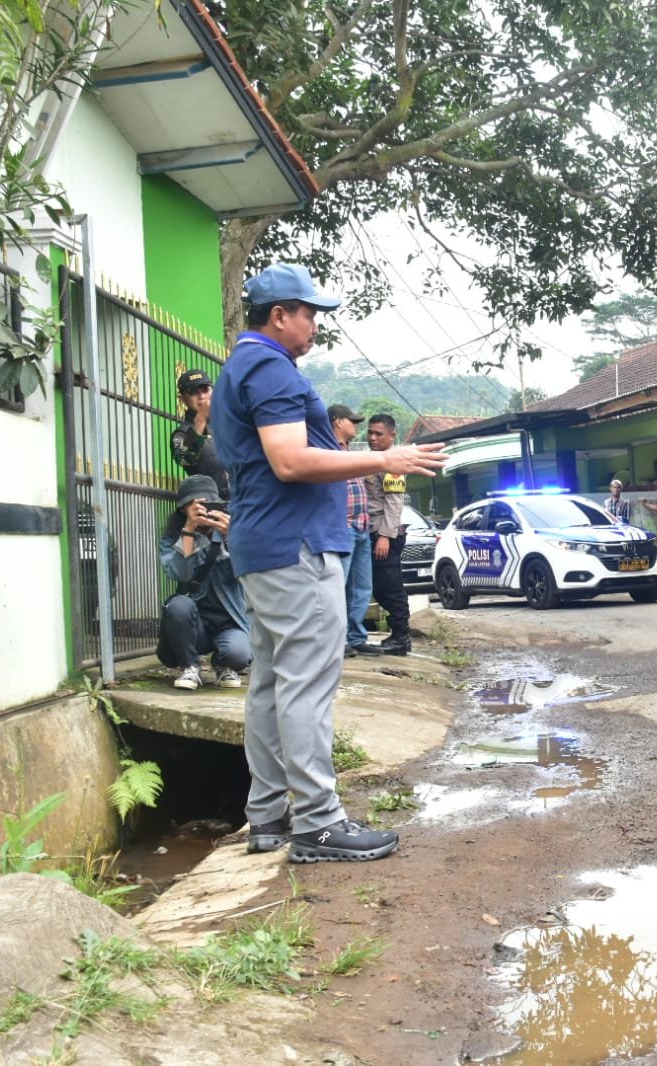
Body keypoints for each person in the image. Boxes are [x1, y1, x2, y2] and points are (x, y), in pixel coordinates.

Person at [212, 263, 446, 864]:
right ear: (279, 315)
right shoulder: (269, 367)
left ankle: (268, 815)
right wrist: (384, 457)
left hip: (264, 544)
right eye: (310, 313)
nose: (316, 324)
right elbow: (290, 461)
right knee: (307, 684)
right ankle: (317, 823)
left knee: (270, 680)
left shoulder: (241, 365)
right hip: (296, 547)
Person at [156, 474, 250, 690]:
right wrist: (189, 530)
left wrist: (232, 537)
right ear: (183, 509)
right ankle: (190, 666)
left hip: (229, 617)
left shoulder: (234, 529)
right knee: (178, 605)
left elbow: (248, 572)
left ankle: (223, 665)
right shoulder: (175, 536)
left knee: (239, 655)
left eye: (208, 504)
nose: (203, 510)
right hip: (193, 619)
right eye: (195, 505)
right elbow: (181, 574)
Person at [327, 404, 380, 657]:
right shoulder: (328, 451)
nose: (356, 426)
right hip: (343, 527)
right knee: (338, 587)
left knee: (362, 587)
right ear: (337, 422)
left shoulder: (348, 452)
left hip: (361, 526)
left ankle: (356, 637)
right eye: (352, 421)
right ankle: (338, 640)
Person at [365, 413, 414, 656]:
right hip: (372, 531)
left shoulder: (392, 463)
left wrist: (385, 535)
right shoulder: (373, 459)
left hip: (384, 534)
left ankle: (401, 637)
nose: (372, 438)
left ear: (392, 435)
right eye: (370, 432)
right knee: (379, 587)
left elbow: (395, 502)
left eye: (379, 434)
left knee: (390, 587)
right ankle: (398, 636)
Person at [170, 369, 230, 499]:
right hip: (213, 508)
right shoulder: (182, 433)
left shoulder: (228, 425)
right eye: (193, 392)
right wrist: (200, 421)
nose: (201, 396)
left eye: (205, 390)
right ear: (183, 399)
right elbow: (183, 458)